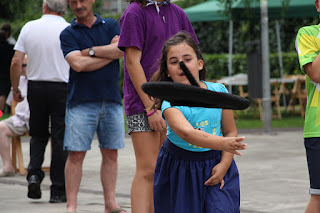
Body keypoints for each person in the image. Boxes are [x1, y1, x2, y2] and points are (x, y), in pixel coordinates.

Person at [149, 32, 246, 212]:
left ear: (199, 64)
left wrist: (224, 165)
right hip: (180, 168)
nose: (181, 65)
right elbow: (188, 134)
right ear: (167, 72)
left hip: (216, 162)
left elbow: (230, 131)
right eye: (174, 61)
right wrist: (224, 143)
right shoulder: (169, 103)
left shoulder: (218, 92)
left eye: (187, 59)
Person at [118, 1, 198, 212]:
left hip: (174, 103)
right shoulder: (134, 13)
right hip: (142, 103)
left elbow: (191, 56)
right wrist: (151, 108)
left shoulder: (178, 13)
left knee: (166, 170)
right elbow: (132, 63)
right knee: (148, 169)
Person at [60, 0, 125, 212]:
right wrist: (109, 51)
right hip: (80, 102)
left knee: (111, 154)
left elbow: (122, 51)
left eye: (82, 0)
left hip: (112, 101)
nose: (78, 5)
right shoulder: (67, 33)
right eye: (73, 2)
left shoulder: (112, 25)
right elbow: (77, 65)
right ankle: (72, 206)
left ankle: (110, 203)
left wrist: (88, 52)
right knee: (76, 154)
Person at [10, 0, 70, 203]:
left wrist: (16, 89)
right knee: (60, 139)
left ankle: (34, 174)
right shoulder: (68, 29)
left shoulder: (29, 27)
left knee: (38, 135)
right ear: (64, 9)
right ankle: (58, 191)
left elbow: (16, 61)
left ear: (45, 7)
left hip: (36, 86)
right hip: (62, 88)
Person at [295, 0, 320, 212]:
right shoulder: (308, 34)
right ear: (318, 5)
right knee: (319, 196)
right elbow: (317, 74)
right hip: (319, 129)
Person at [0, 55, 29, 177]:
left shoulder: (43, 81)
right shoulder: (19, 81)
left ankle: (58, 166)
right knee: (0, 127)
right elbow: (12, 103)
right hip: (21, 120)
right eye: (21, 66)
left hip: (42, 119)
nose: (22, 69)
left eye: (24, 66)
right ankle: (8, 166)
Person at [0, 30, 14, 112]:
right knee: (5, 92)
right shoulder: (10, 47)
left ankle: (1, 112)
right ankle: (6, 110)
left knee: (1, 93)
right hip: (7, 72)